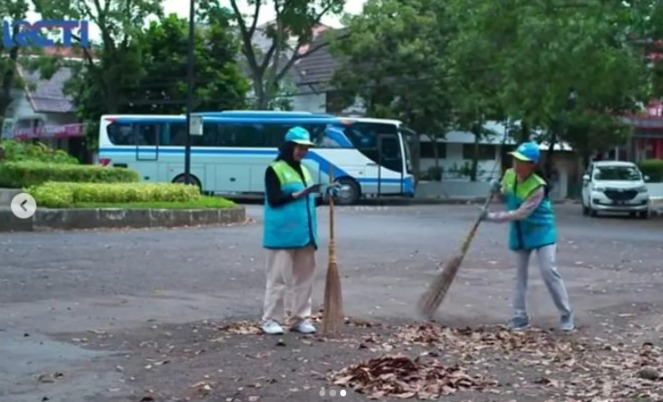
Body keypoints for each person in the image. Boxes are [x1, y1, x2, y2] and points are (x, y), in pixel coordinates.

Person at [479, 141, 575, 331]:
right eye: (515, 159)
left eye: (522, 161)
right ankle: (519, 316)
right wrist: (496, 190)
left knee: (549, 272)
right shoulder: (509, 175)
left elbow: (521, 212)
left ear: (532, 164)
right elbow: (505, 195)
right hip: (521, 232)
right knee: (519, 276)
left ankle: (566, 314)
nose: (516, 163)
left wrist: (491, 217)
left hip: (542, 232)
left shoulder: (537, 186)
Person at [261, 126, 340, 335]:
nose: (303, 151)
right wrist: (298, 194)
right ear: (289, 147)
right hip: (281, 234)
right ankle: (271, 319)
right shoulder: (275, 169)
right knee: (278, 278)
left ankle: (300, 318)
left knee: (304, 278)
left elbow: (308, 202)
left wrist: (324, 197)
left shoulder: (305, 170)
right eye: (299, 147)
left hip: (305, 234)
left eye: (305, 148)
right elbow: (275, 199)